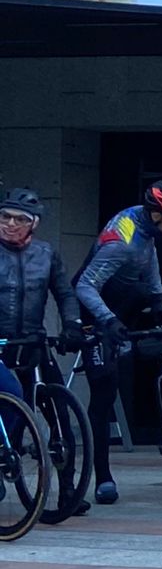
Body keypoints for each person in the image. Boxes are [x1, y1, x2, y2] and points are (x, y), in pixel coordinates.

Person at [74, 180, 162, 506]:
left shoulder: (145, 225)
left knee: (155, 311)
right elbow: (84, 286)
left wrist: (158, 298)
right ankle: (103, 477)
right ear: (156, 215)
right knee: (104, 392)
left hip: (126, 298)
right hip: (95, 310)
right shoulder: (120, 243)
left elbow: (149, 257)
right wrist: (107, 321)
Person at [0, 189, 85, 516]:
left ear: (33, 224)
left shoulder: (46, 254)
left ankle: (68, 491)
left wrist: (72, 326)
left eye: (20, 219)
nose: (10, 224)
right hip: (3, 346)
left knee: (60, 416)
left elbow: (65, 294)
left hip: (33, 344)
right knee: (9, 406)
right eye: (5, 217)